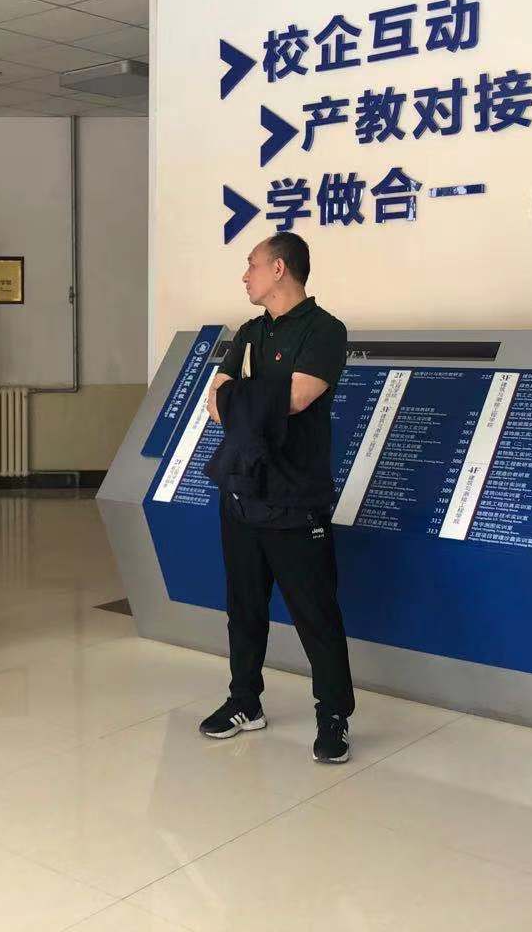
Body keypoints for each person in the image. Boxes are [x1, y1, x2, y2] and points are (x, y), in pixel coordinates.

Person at [198, 232, 355, 765]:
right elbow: (213, 401)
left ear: (280, 269)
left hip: (296, 499)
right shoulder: (248, 333)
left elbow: (299, 396)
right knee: (243, 609)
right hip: (241, 492)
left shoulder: (325, 330)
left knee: (316, 614)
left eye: (252, 265)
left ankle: (332, 716)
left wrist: (240, 395)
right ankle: (245, 701)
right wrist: (249, 396)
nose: (245, 275)